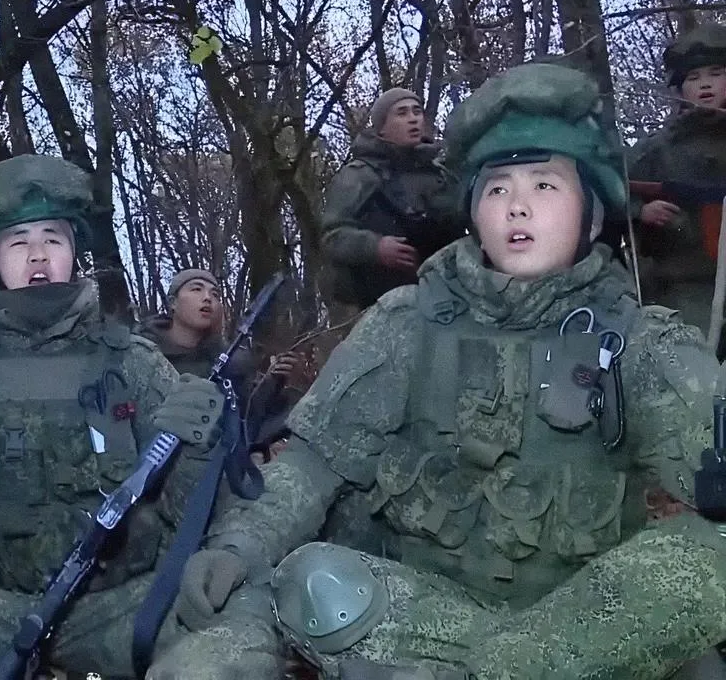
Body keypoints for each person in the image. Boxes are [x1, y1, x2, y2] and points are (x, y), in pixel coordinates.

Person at [148, 63, 726, 680]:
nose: (517, 206)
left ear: (592, 214)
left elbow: (708, 464)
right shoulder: (406, 321)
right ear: (473, 213)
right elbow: (312, 467)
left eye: (545, 185)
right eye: (496, 189)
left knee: (702, 562)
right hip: (425, 617)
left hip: (582, 632)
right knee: (313, 580)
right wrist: (239, 545)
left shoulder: (638, 338)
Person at [0, 154, 227, 679]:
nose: (38, 255)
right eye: (18, 242)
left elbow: (199, 510)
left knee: (232, 618)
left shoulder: (135, 363)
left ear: (74, 252)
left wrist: (202, 449)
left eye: (53, 239)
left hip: (116, 609)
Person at [630, 22, 726, 351]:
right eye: (693, 78)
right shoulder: (659, 149)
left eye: (716, 73)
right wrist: (641, 211)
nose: (705, 84)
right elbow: (609, 188)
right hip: (685, 287)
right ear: (681, 88)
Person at [320, 88, 461, 313]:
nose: (413, 119)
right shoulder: (360, 175)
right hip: (377, 304)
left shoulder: (442, 173)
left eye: (417, 112)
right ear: (382, 128)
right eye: (401, 113)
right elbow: (332, 237)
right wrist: (375, 247)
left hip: (446, 297)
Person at [139, 269, 299, 457]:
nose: (207, 298)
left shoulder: (230, 364)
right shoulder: (142, 354)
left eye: (215, 294)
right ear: (173, 302)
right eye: (196, 289)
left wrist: (272, 382)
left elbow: (245, 423)